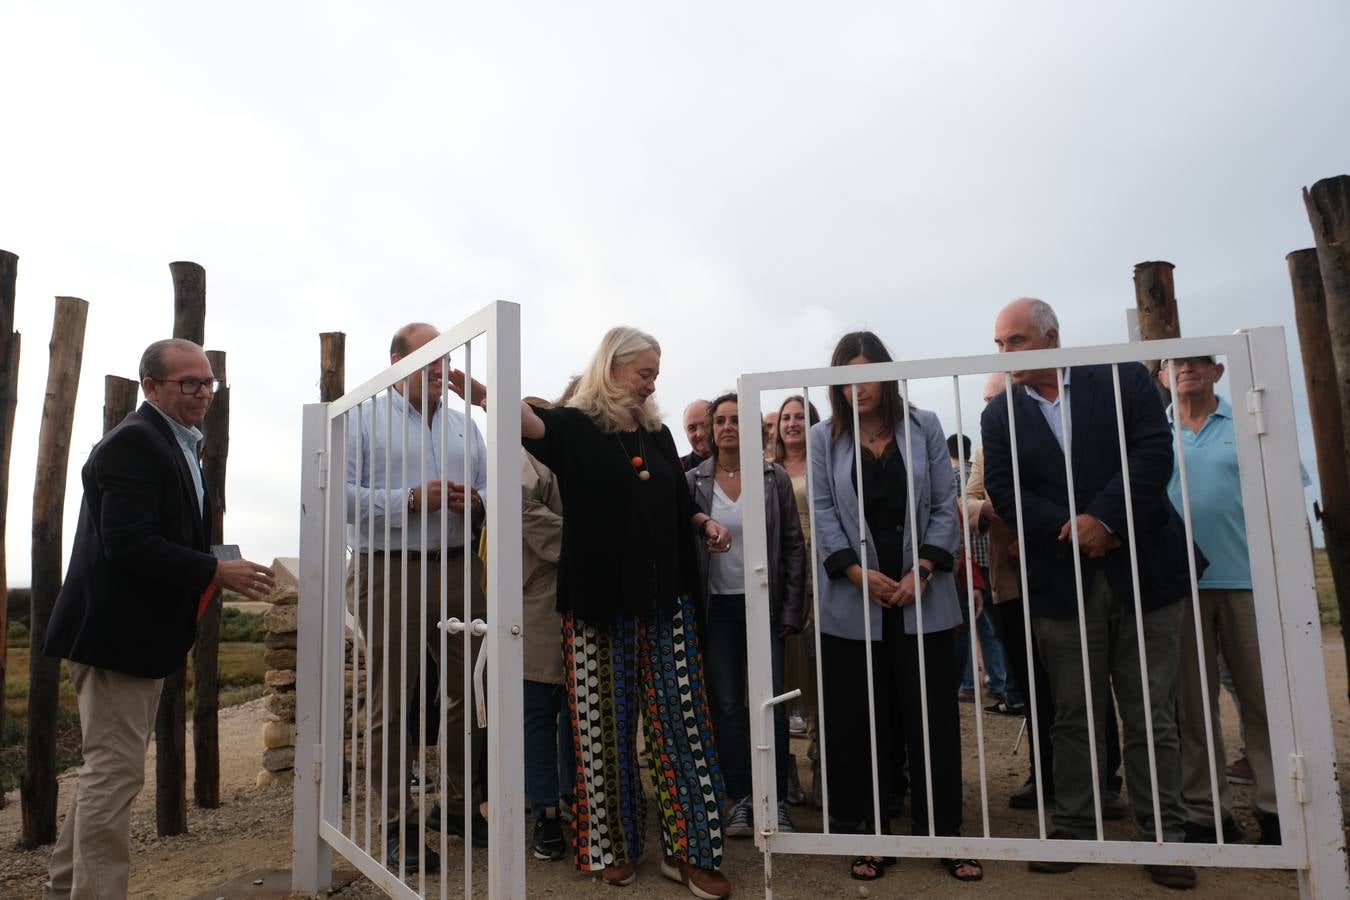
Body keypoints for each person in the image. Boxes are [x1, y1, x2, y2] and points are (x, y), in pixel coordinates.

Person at [456, 326, 734, 898]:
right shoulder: (577, 429)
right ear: (611, 368)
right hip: (596, 606)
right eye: (643, 372)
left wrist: (702, 523)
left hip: (666, 603)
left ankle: (690, 853)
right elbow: (530, 423)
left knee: (682, 727)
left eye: (656, 373)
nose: (651, 382)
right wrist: (486, 395)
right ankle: (612, 848)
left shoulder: (656, 435)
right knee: (599, 730)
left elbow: (677, 503)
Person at [42, 338, 276, 900]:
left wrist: (209, 561)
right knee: (114, 774)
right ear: (150, 386)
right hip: (115, 639)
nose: (203, 393)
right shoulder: (134, 445)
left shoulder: (173, 442)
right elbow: (128, 544)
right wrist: (211, 570)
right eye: (189, 383)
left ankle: (63, 889)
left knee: (107, 771)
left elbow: (154, 535)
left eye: (209, 383)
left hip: (128, 637)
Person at [980, 298, 1199, 889]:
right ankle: (1077, 826)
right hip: (1060, 580)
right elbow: (1004, 489)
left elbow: (1153, 453)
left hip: (1144, 572)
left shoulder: (1121, 377)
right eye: (1000, 344)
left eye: (1016, 341)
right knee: (1072, 713)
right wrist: (1074, 528)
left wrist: (1104, 518)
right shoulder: (1000, 415)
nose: (1006, 354)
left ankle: (1165, 836)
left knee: (1150, 712)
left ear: (1053, 338)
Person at [811, 331, 981, 884]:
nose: (858, 389)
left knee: (930, 717)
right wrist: (858, 575)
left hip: (921, 598)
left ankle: (944, 833)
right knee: (866, 720)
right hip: (853, 600)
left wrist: (923, 572)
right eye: (847, 378)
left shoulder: (925, 426)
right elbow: (821, 512)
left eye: (867, 375)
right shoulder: (821, 438)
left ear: (885, 375)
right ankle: (873, 832)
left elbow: (942, 506)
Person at [344, 322, 489, 871]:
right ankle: (397, 826)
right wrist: (407, 499)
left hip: (456, 569)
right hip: (388, 569)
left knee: (469, 691)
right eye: (426, 358)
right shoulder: (360, 418)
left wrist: (473, 503)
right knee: (393, 697)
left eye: (445, 360)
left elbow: (487, 493)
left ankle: (455, 806)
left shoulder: (463, 427)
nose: (438, 369)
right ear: (396, 362)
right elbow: (339, 497)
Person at [1162, 355, 1287, 846]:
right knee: (1193, 707)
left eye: (1197, 363)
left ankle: (1276, 807)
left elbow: (1282, 498)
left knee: (1262, 699)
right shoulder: (1152, 434)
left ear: (1218, 371)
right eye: (1176, 365)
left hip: (1246, 581)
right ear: (1162, 378)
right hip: (1182, 588)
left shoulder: (1250, 426)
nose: (1186, 370)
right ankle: (1206, 812)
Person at [688, 392, 806, 839]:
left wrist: (793, 608)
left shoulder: (772, 478)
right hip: (717, 608)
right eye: (720, 420)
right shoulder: (694, 480)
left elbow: (793, 546)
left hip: (765, 607)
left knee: (771, 705)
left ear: (754, 426)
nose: (726, 427)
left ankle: (773, 801)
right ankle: (740, 800)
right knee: (728, 706)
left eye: (737, 419)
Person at [520, 425, 571, 861]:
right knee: (538, 710)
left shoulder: (573, 450)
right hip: (540, 601)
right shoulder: (522, 458)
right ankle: (547, 812)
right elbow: (523, 511)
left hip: (579, 596)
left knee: (578, 710)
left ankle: (577, 803)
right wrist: (589, 541)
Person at [773, 395, 823, 806]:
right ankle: (784, 771)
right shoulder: (768, 470)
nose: (792, 424)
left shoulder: (825, 462)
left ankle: (822, 760)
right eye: (786, 418)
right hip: (782, 576)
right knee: (784, 676)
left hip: (822, 572)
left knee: (819, 676)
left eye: (799, 417)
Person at [947, 433, 1009, 708]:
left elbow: (957, 517)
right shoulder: (979, 469)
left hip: (971, 558)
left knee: (972, 624)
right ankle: (999, 680)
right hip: (997, 555)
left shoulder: (953, 476)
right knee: (993, 627)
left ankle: (970, 682)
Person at [682, 400, 712, 471]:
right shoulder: (677, 469)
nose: (700, 434)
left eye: (706, 425)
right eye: (692, 428)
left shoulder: (741, 462)